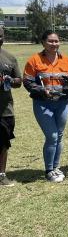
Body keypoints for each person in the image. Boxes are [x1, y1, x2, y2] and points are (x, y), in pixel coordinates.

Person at [23, 31, 68, 182]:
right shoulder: (34, 60)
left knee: (59, 136)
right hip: (42, 104)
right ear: (43, 43)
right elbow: (27, 82)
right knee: (52, 136)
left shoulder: (67, 60)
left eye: (56, 41)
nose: (54, 44)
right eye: (50, 41)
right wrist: (41, 90)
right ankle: (49, 170)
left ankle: (56, 167)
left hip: (62, 104)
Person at [0, 27, 22, 187]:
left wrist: (10, 80)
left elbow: (18, 81)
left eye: (0, 35)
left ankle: (1, 175)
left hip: (4, 109)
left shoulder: (10, 58)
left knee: (3, 143)